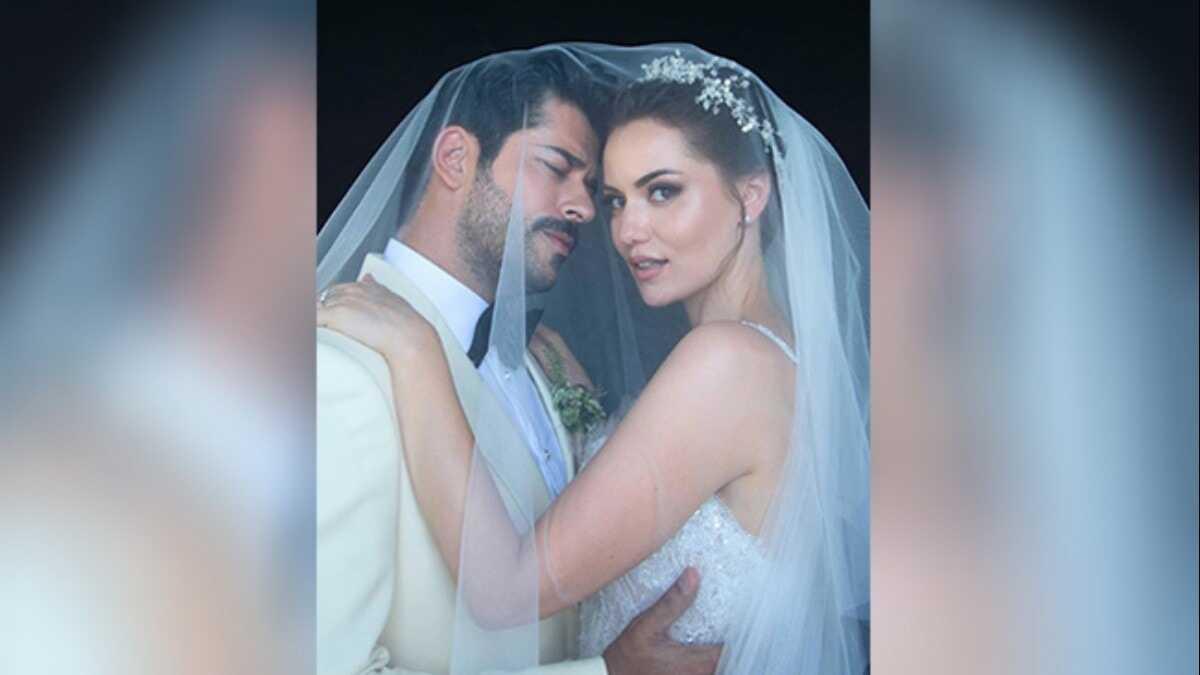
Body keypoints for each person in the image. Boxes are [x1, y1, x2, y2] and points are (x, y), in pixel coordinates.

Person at [319, 45, 870, 674]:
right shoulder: (770, 357)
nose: (625, 229)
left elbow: (505, 591)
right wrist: (587, 426)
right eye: (616, 200)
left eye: (662, 191)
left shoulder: (727, 363)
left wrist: (419, 352)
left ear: (751, 194)